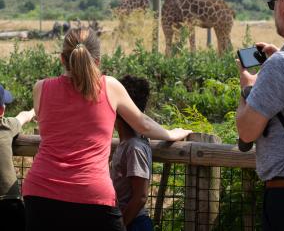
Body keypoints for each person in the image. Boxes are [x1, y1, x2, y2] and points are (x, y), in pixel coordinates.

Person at [22, 27, 191, 231]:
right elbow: (143, 124)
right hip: (92, 196)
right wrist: (172, 133)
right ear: (98, 61)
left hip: (40, 192)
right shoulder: (109, 86)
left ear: (61, 59)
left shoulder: (41, 87)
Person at [236, 0, 284, 231]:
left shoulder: (282, 65)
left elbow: (247, 130)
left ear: (283, 4)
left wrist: (248, 88)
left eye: (272, 4)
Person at [111, 75, 153, 231]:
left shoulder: (134, 147)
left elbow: (140, 197)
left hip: (134, 223)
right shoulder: (127, 144)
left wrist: (121, 225)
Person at [0, 84, 35, 231]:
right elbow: (23, 116)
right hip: (8, 202)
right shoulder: (5, 126)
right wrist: (34, 110)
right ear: (1, 110)